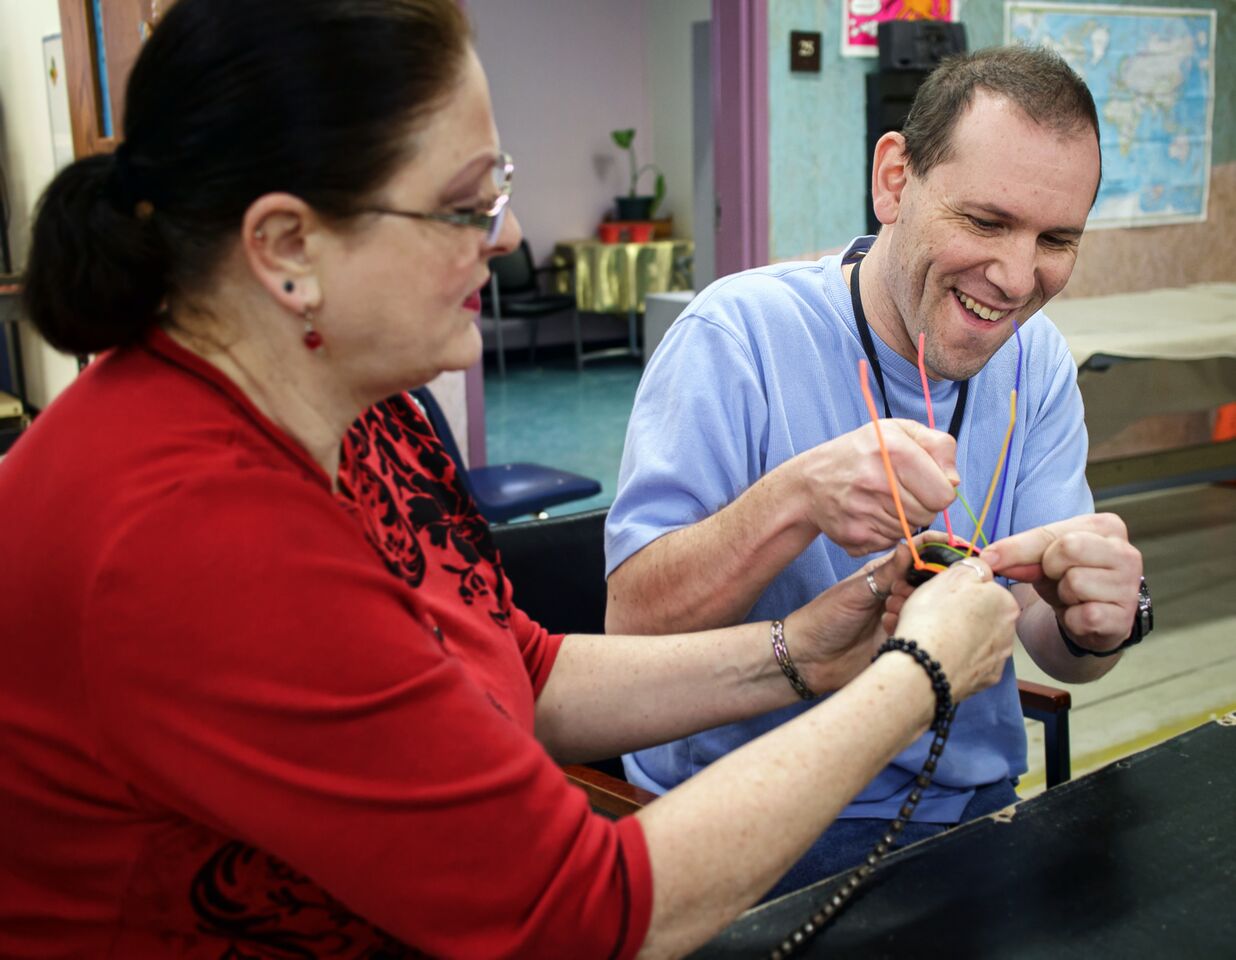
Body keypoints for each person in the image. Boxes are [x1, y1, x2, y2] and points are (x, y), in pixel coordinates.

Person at [0, 2, 1020, 957]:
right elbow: (578, 912)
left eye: (500, 187)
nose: (510, 235)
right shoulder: (193, 535)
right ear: (285, 247)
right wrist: (914, 680)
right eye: (462, 204)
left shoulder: (368, 413)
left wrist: (800, 651)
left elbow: (512, 669)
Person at [605, 45, 1149, 895]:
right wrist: (794, 501)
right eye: (985, 222)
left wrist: (1092, 620)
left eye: (1056, 239)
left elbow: (1055, 646)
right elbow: (631, 627)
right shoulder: (737, 334)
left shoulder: (1036, 360)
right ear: (894, 179)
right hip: (743, 824)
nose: (1014, 279)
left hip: (966, 812)